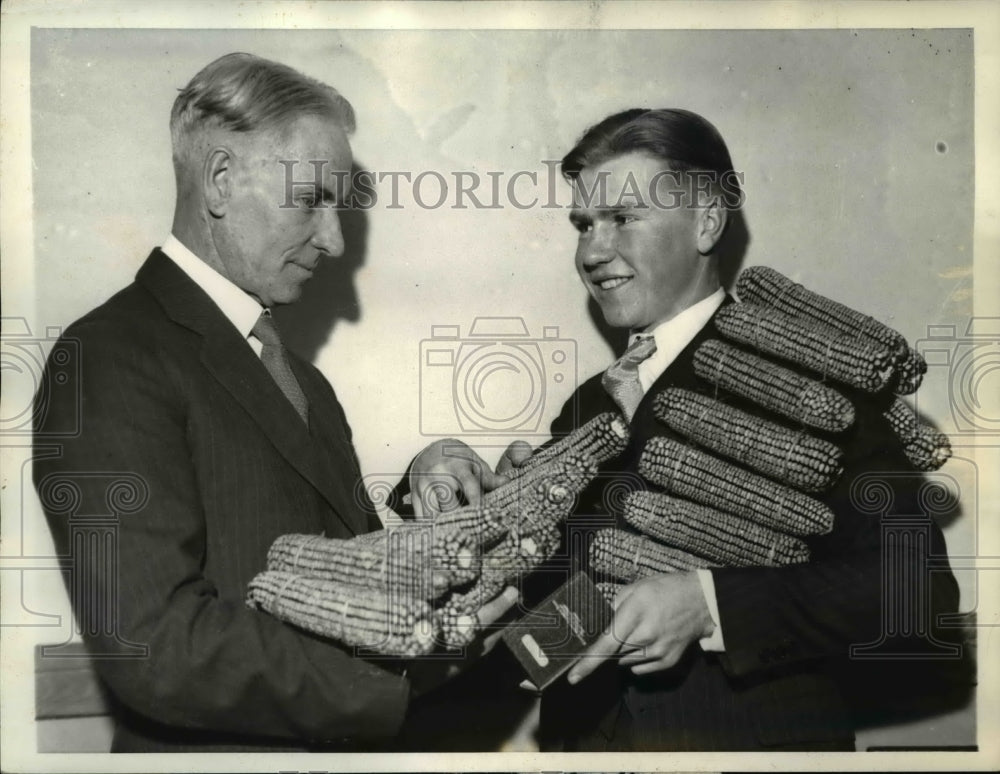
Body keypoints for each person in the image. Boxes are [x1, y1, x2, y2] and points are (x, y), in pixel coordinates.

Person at [410, 108, 960, 751]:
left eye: (623, 218)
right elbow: (563, 609)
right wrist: (459, 491)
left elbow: (919, 593)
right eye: (584, 225)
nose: (592, 251)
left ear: (706, 222)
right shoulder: (586, 406)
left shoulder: (810, 376)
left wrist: (711, 605)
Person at [32, 52, 515, 753]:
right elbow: (154, 646)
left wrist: (421, 492)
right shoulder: (108, 356)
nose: (334, 240)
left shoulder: (300, 379)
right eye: (312, 199)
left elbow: (338, 576)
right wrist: (405, 672)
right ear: (221, 180)